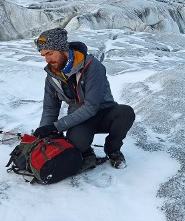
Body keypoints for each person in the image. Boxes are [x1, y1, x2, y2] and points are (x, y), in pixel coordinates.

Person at [33, 28, 135, 169]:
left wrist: (56, 127)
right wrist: (43, 132)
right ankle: (86, 152)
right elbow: (50, 108)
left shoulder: (92, 67)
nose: (47, 60)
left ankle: (113, 150)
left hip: (105, 114)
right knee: (77, 144)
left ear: (63, 49)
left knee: (125, 113)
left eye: (50, 53)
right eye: (44, 55)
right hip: (80, 119)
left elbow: (91, 106)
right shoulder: (52, 76)